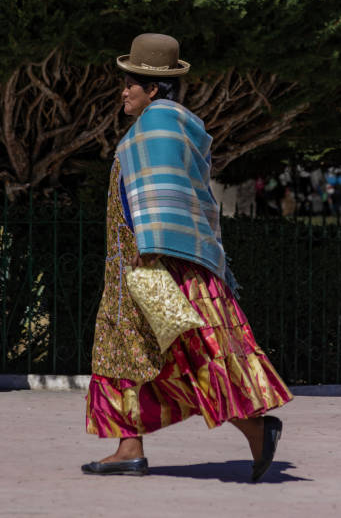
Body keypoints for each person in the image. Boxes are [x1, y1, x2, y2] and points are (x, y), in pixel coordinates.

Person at [81, 33, 293, 481]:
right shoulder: (173, 125)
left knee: (188, 355)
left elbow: (162, 203)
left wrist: (149, 261)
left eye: (130, 84)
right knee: (119, 352)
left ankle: (256, 429)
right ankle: (128, 448)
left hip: (155, 266)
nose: (123, 91)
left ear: (152, 88)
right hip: (132, 266)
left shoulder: (157, 128)